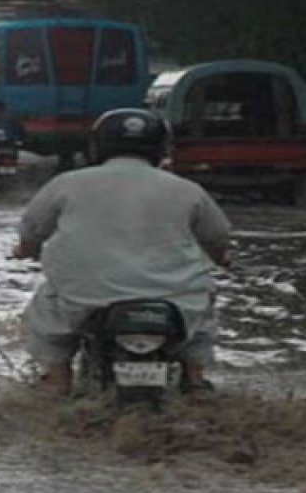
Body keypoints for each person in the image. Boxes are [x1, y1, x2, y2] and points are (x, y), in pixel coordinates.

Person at [13, 108, 231, 395]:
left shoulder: (66, 183)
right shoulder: (187, 189)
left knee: (49, 308)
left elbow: (32, 229)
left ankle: (57, 379)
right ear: (160, 148)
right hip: (174, 299)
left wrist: (26, 250)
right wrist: (221, 259)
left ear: (97, 145)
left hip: (87, 297)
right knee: (203, 307)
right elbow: (217, 236)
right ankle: (195, 378)